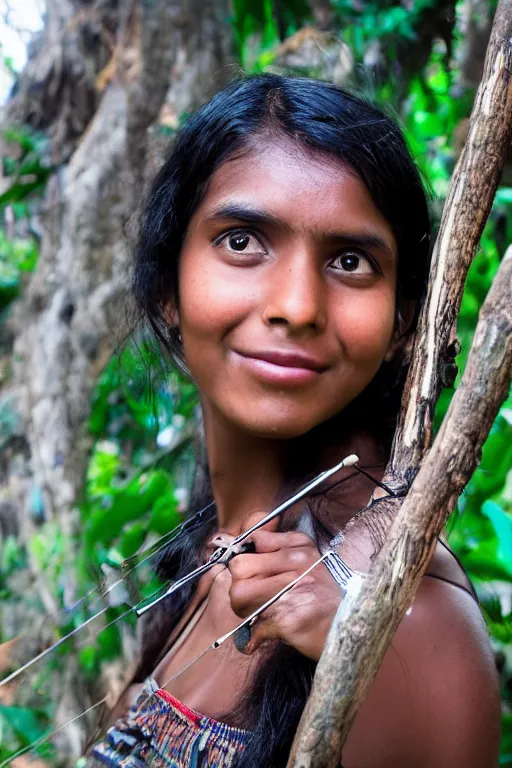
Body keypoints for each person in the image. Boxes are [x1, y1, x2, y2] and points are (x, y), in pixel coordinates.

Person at [88, 74, 500, 767]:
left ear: (403, 324)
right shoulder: (211, 552)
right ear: (167, 288)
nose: (298, 305)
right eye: (243, 242)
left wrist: (354, 645)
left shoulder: (410, 625)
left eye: (350, 260)